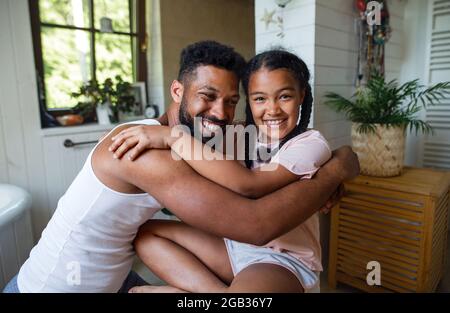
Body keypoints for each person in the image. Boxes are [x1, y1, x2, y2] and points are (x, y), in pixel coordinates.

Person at [3, 41, 358, 293]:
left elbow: (276, 155)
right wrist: (336, 171)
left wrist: (333, 160)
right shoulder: (145, 147)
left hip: (115, 280)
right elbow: (255, 224)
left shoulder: (204, 139)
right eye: (207, 96)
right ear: (177, 91)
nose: (220, 112)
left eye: (231, 101)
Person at [110, 49, 332, 293]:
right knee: (146, 235)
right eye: (259, 98)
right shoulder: (237, 135)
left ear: (301, 96)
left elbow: (250, 184)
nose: (273, 109)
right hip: (232, 247)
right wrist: (133, 133)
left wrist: (173, 138)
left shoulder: (310, 143)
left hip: (281, 259)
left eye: (284, 97)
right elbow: (190, 136)